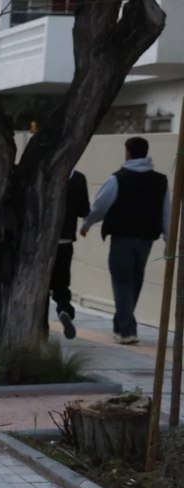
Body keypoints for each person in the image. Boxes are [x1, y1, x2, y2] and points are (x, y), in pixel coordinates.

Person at [80, 136, 171, 345]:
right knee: (135, 281)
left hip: (122, 237)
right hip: (146, 238)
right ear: (146, 153)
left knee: (122, 282)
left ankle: (127, 330)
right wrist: (169, 239)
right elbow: (167, 213)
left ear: (127, 153)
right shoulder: (160, 181)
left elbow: (100, 206)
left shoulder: (118, 178)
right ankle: (122, 326)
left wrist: (87, 224)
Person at [48, 169, 90, 339]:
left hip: (40, 243)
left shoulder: (44, 173)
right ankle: (64, 309)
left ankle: (40, 327)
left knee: (40, 288)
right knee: (61, 284)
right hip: (65, 240)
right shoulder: (78, 178)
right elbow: (84, 210)